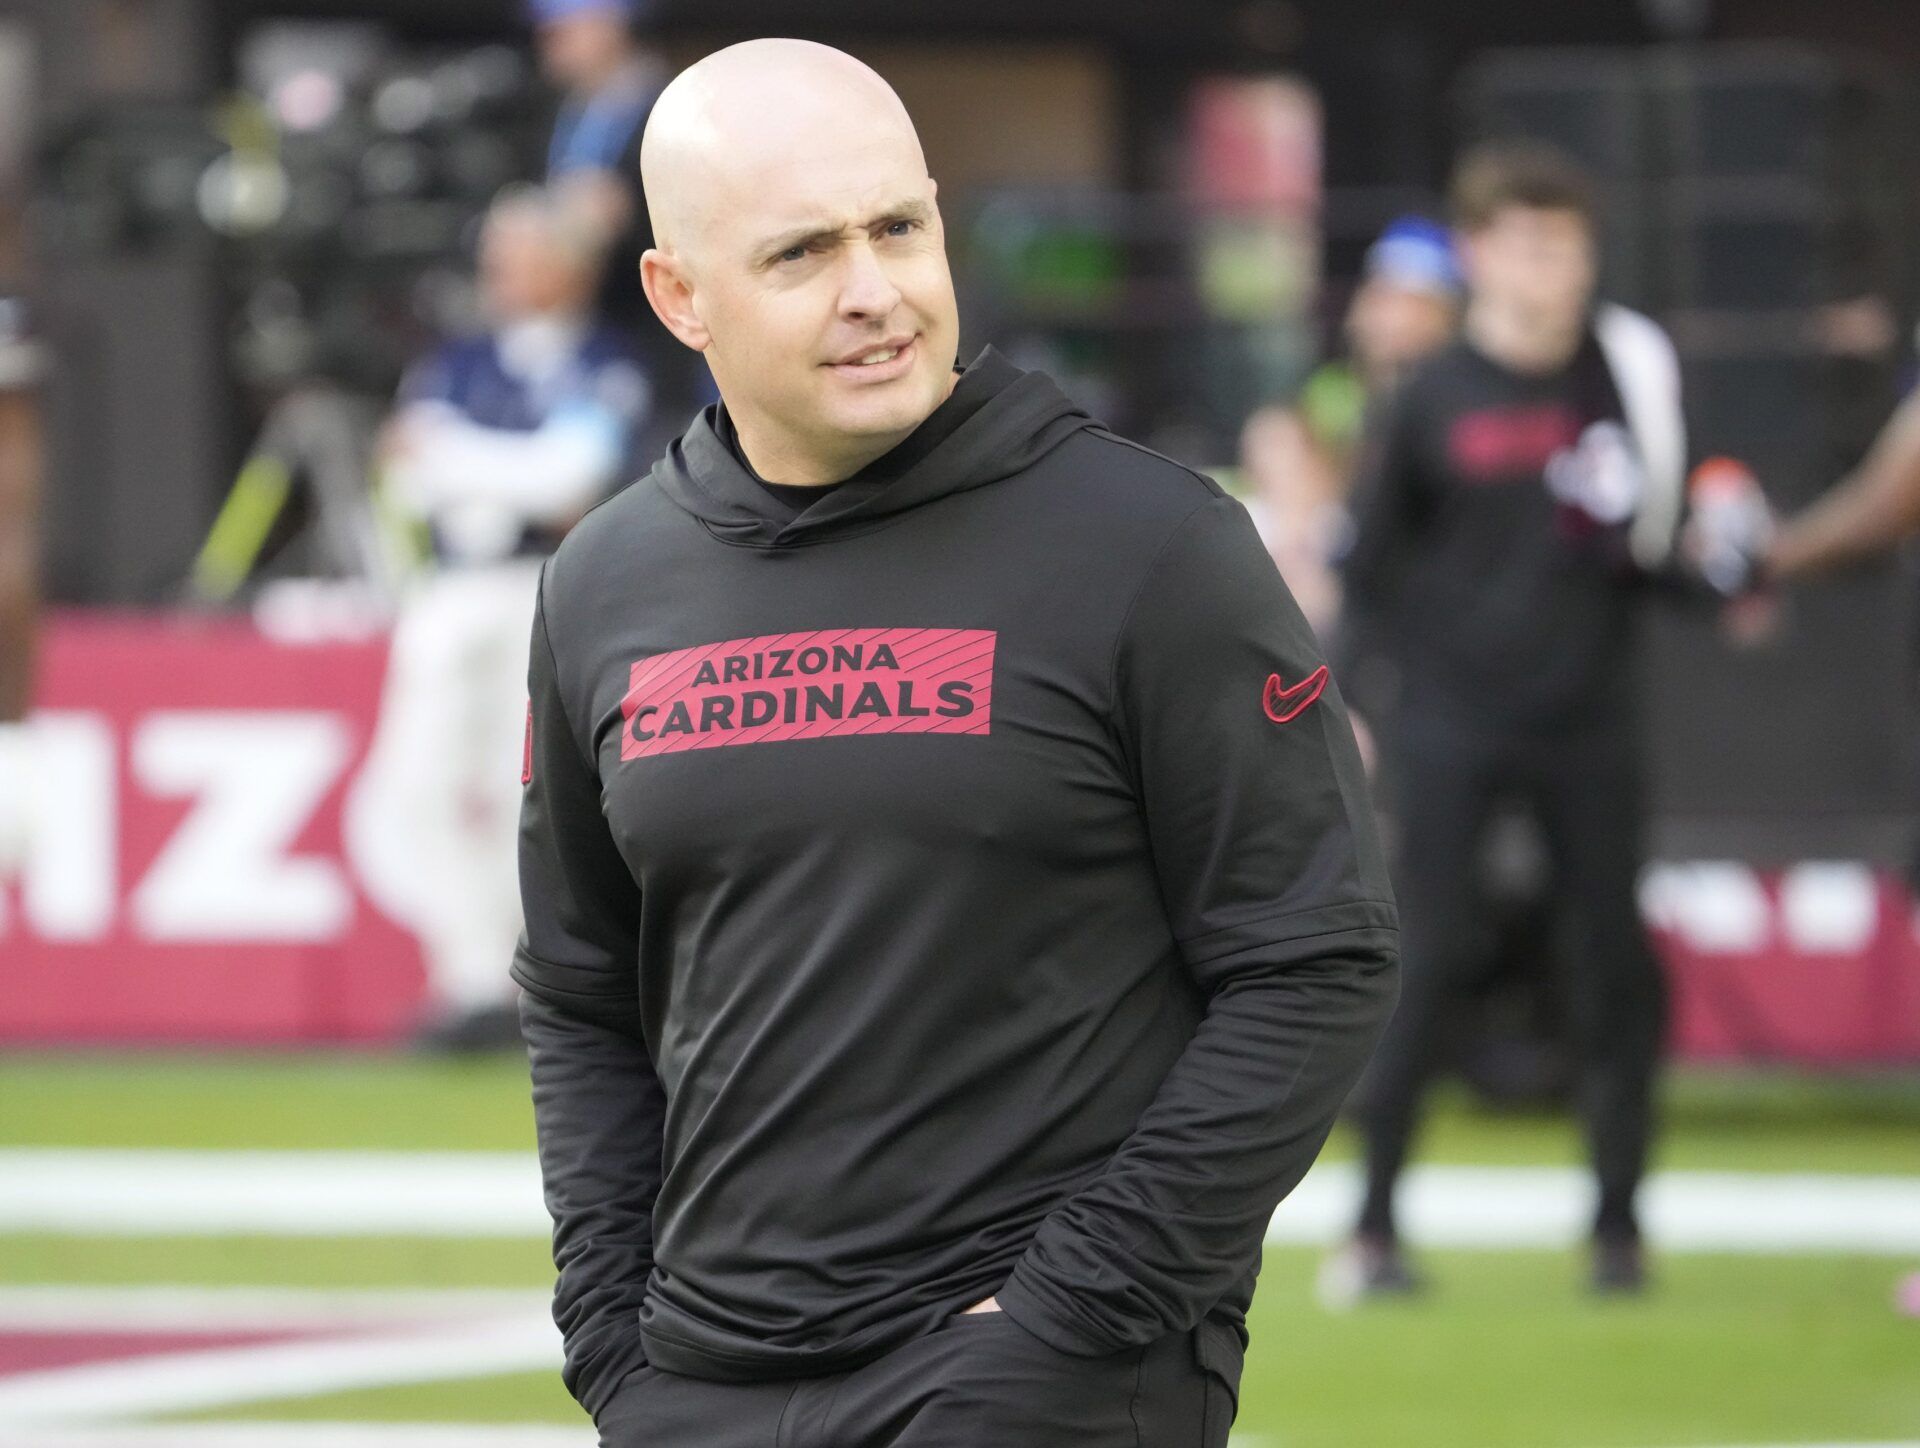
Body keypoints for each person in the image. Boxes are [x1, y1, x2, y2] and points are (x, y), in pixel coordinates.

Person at [514, 38, 1398, 1448]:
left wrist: (1074, 1320)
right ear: (680, 296)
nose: (876, 293)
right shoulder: (605, 581)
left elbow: (1315, 956)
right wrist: (615, 1340)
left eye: (899, 229)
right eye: (802, 253)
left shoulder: (1154, 548)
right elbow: (579, 987)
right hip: (694, 1386)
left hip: (1028, 1382)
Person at [1331, 141, 1694, 1303]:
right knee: (1423, 957)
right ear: (1481, 254)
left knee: (1611, 967)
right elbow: (1368, 567)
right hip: (1451, 718)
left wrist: (1724, 571)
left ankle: (1620, 1229)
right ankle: (1376, 1227)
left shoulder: (1623, 377)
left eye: (1573, 245)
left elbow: (1656, 548)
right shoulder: (1431, 392)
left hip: (1592, 715)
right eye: (1534, 244)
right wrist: (1355, 702)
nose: (1559, 270)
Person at [346, 185, 649, 1051]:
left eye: (519, 256)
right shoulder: (458, 360)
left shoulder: (608, 358)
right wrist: (503, 471)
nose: (500, 274)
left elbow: (572, 481)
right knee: (421, 782)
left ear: (570, 265)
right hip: (449, 592)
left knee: (533, 789)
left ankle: (538, 977)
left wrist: (464, 462)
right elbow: (407, 475)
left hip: (546, 588)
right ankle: (468, 976)